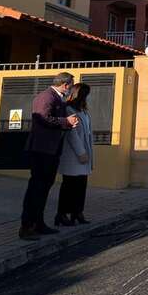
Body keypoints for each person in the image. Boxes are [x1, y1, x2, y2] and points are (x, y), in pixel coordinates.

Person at [19, 72, 79, 240]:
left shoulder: (58, 98)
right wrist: (65, 121)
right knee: (37, 188)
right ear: (65, 85)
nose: (71, 89)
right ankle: (27, 226)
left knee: (44, 188)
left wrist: (68, 124)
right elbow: (43, 118)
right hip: (42, 150)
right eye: (71, 85)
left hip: (51, 151)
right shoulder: (47, 97)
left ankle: (38, 223)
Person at [56, 83, 93, 226]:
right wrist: (81, 152)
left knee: (81, 185)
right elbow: (71, 134)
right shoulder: (69, 110)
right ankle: (62, 214)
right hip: (73, 155)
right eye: (85, 95)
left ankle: (77, 212)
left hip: (84, 153)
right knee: (69, 186)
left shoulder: (83, 111)